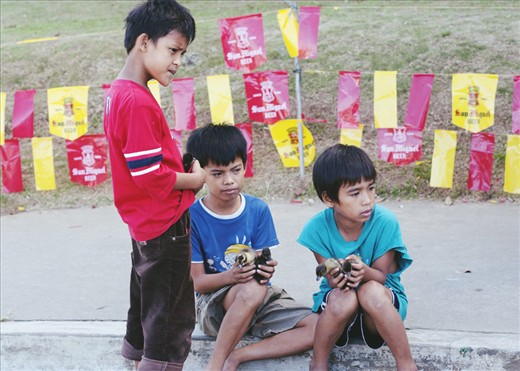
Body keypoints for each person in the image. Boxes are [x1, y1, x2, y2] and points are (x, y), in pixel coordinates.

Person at [103, 1, 205, 369]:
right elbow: (151, 176)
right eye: (173, 50)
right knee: (170, 325)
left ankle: (134, 361)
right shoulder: (136, 100)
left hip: (144, 225)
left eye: (182, 53)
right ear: (144, 42)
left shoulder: (119, 91)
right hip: (165, 226)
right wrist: (193, 180)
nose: (177, 61)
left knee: (146, 311)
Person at [186, 123, 318, 371]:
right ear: (200, 172)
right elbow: (198, 283)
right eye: (217, 173)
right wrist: (231, 276)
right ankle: (215, 365)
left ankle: (237, 357)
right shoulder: (193, 216)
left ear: (245, 167)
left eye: (236, 170)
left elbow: (257, 269)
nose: (229, 180)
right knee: (251, 290)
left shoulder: (257, 210)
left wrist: (264, 271)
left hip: (256, 297)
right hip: (214, 305)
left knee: (319, 327)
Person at [297, 144, 417, 371]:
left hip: (380, 305)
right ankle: (319, 364)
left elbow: (381, 277)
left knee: (369, 290)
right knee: (345, 297)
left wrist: (363, 271)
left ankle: (407, 365)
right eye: (355, 193)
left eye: (370, 188)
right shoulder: (316, 229)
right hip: (339, 307)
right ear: (329, 198)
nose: (367, 200)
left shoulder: (385, 222)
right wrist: (340, 275)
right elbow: (331, 280)